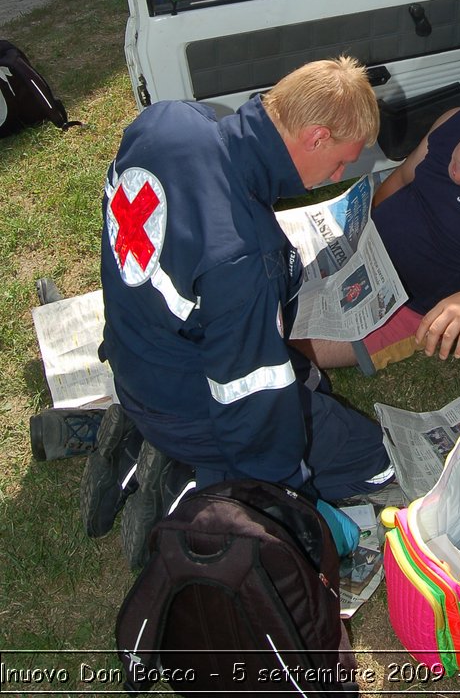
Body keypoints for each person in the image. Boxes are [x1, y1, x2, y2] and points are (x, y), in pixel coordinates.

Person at [82, 57, 395, 566]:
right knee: (369, 457)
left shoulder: (167, 120)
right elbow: (250, 405)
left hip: (130, 357)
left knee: (310, 389)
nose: (336, 176)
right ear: (315, 137)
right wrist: (286, 503)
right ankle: (194, 486)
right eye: (341, 162)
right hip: (183, 402)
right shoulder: (247, 257)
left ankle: (161, 451)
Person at [297, 104, 460, 373]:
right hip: (364, 248)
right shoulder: (458, 118)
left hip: (404, 305)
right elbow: (402, 177)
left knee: (285, 345)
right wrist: (361, 230)